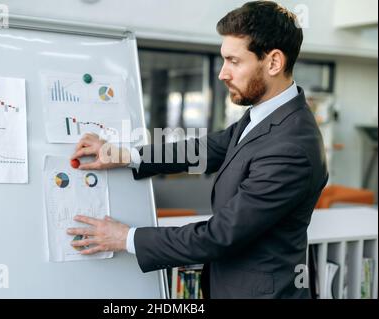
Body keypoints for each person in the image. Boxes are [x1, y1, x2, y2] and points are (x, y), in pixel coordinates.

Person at [67, 0, 328, 298]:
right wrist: (127, 156)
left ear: (273, 62)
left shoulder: (292, 145)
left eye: (234, 61)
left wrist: (126, 238)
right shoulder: (265, 114)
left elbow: (221, 235)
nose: (222, 74)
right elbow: (209, 148)